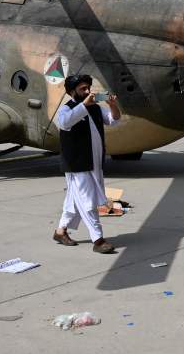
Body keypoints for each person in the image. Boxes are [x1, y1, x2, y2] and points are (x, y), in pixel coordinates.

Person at [53, 74, 121, 254]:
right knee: (88, 201)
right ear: (72, 91)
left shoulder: (96, 108)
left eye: (88, 88)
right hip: (77, 165)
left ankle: (60, 231)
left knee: (75, 200)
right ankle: (98, 240)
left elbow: (114, 120)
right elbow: (64, 123)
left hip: (94, 164)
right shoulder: (66, 109)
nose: (88, 92)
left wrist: (113, 105)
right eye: (83, 89)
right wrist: (84, 105)